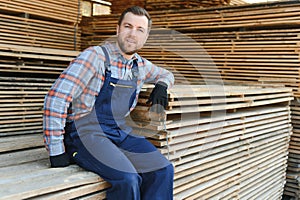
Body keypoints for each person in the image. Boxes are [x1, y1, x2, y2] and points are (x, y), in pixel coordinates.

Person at [43, 6, 175, 200]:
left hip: (119, 130)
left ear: (146, 36)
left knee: (163, 170)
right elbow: (56, 98)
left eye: (140, 30)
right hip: (86, 133)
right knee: (129, 179)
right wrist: (56, 151)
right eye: (128, 26)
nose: (132, 34)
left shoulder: (140, 65)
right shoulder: (95, 57)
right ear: (117, 29)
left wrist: (162, 85)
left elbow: (166, 73)